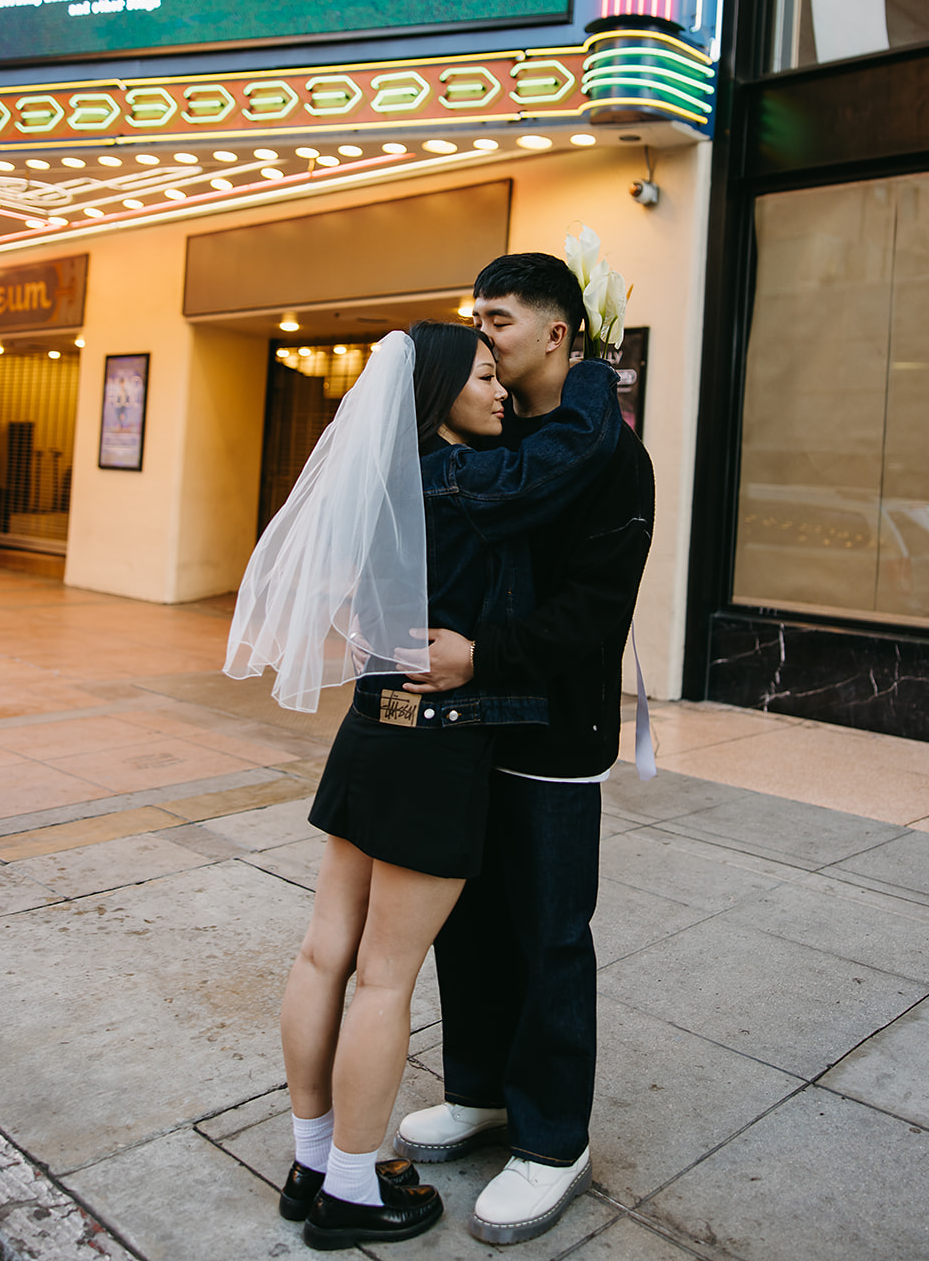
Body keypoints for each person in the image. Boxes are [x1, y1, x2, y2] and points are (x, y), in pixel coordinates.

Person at [226, 321, 622, 1251]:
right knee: (385, 977)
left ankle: (312, 1157)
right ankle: (357, 1189)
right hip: (436, 751)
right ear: (438, 391)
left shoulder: (382, 484)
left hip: (367, 733)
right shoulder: (465, 484)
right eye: (483, 377)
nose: (501, 391)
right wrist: (597, 373)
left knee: (325, 953)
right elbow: (568, 449)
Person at [395, 254, 655, 1246]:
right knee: (467, 922)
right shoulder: (491, 431)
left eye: (497, 318)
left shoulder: (608, 456)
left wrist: (480, 657)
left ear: (557, 333)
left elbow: (592, 615)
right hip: (465, 723)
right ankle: (480, 1092)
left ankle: (553, 1138)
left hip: (550, 729)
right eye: (475, 316)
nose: (481, 335)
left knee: (548, 929)